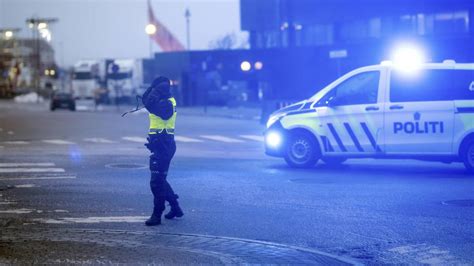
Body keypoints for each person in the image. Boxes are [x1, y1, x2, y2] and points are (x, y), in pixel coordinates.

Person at [142, 76, 183, 226]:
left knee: (156, 182)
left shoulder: (166, 103)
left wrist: (154, 94)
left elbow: (151, 105)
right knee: (160, 180)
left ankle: (157, 214)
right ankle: (175, 207)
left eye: (156, 90)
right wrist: (152, 88)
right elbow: (146, 101)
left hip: (164, 145)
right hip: (159, 144)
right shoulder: (160, 100)